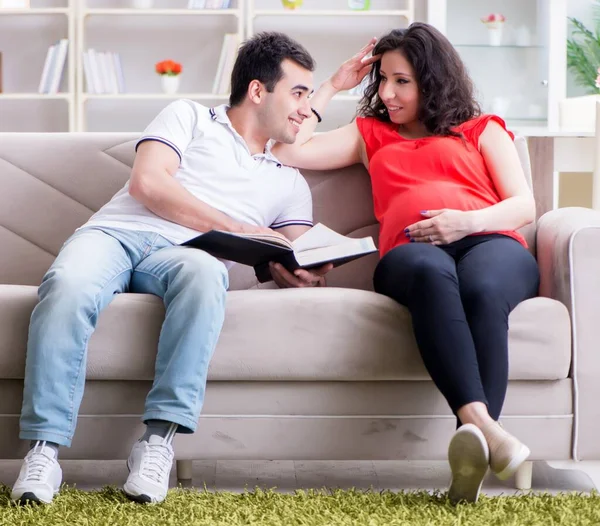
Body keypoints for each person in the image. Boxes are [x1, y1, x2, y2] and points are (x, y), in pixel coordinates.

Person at [10, 31, 375, 505]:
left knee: (208, 276)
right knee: (68, 284)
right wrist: (238, 228)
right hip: (117, 234)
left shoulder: (289, 182)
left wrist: (302, 268)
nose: (308, 109)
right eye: (299, 94)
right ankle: (43, 451)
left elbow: (294, 250)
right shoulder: (190, 116)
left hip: (185, 257)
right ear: (258, 91)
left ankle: (157, 443)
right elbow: (147, 183)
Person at [272, 23, 540, 504]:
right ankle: (486, 430)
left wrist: (465, 223)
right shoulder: (369, 134)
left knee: (481, 290)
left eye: (402, 81)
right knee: (429, 271)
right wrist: (334, 85)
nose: (387, 92)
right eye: (382, 80)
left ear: (432, 81)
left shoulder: (482, 129)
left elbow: (524, 206)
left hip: (489, 240)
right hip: (410, 254)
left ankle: (472, 455)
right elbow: (288, 149)